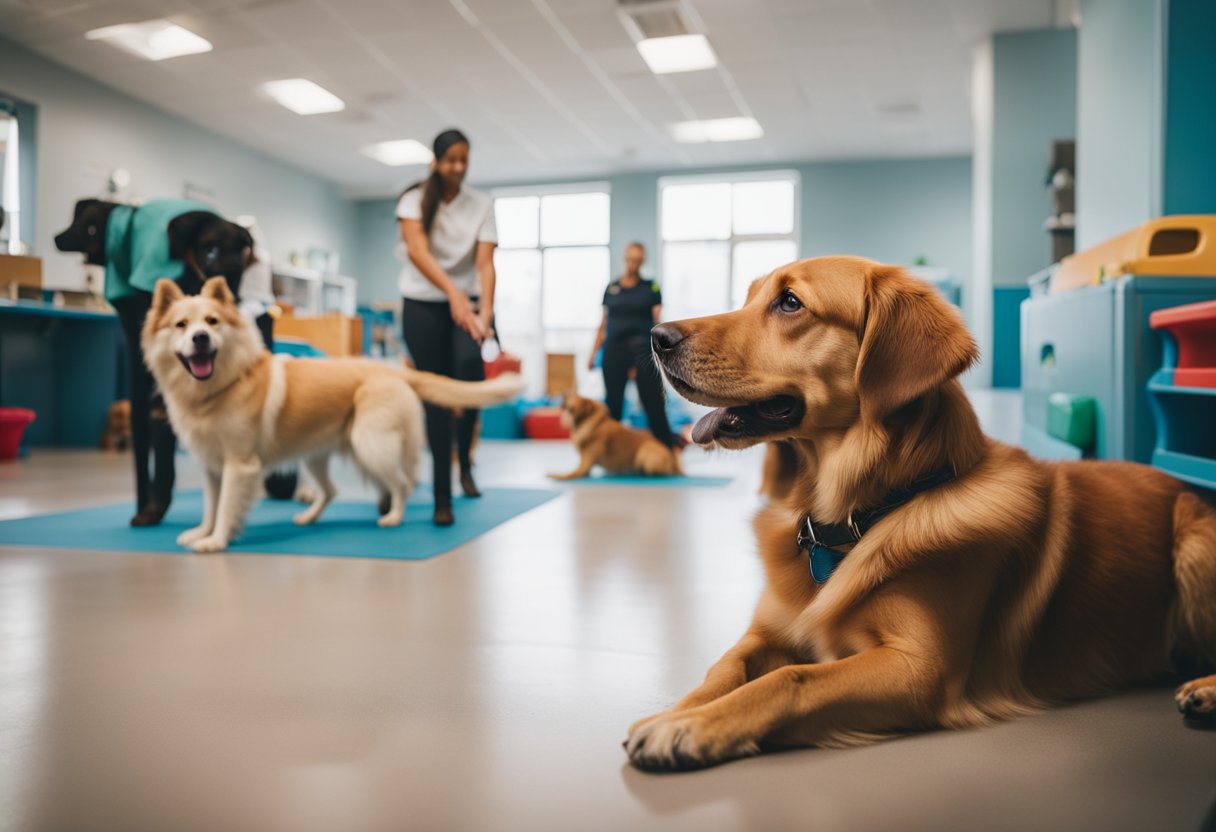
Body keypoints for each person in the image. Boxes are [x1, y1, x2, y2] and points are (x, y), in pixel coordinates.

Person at [397, 129, 497, 527]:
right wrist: (454, 294)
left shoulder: (481, 204)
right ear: (436, 162)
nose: (458, 167)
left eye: (464, 159)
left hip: (468, 305)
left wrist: (485, 311)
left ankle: (465, 467)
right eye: (450, 159)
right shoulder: (413, 201)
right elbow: (418, 253)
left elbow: (485, 263)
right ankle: (442, 495)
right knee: (437, 394)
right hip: (423, 304)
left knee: (470, 376)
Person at [588, 242, 676, 447]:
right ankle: (610, 453)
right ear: (625, 258)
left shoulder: (650, 287)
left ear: (642, 261)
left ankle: (667, 450)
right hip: (614, 349)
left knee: (653, 402)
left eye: (638, 260)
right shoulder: (611, 288)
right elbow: (603, 324)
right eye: (631, 259)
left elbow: (658, 321)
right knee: (613, 406)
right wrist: (592, 354)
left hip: (642, 350)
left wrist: (666, 353)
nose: (633, 264)